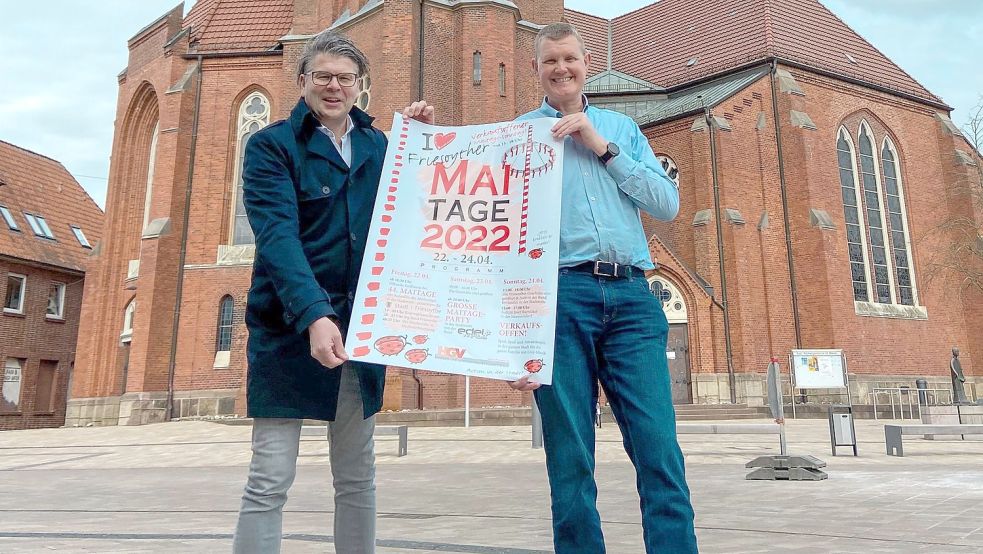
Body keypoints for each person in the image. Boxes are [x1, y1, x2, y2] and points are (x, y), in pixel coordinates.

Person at [404, 22, 698, 554]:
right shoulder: (521, 134)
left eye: (570, 59)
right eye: (550, 62)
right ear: (536, 70)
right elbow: (473, 214)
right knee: (569, 458)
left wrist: (599, 145)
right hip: (559, 303)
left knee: (659, 451)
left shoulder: (621, 129)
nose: (561, 69)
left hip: (632, 296)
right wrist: (420, 139)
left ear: (584, 64)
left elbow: (667, 203)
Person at [232, 31, 391, 554]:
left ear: (359, 87)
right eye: (322, 75)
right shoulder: (271, 145)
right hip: (288, 328)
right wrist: (315, 315)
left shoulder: (377, 144)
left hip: (359, 330)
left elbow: (408, 216)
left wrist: (425, 144)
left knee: (357, 474)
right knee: (270, 478)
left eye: (345, 78)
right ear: (302, 82)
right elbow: (277, 239)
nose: (333, 86)